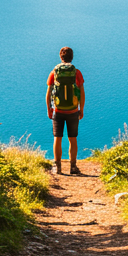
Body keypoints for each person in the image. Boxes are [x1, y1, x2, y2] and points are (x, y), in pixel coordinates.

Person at [45, 46, 85, 175]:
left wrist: (49, 109)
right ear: (72, 57)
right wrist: (81, 109)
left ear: (60, 57)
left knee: (58, 138)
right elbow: (82, 92)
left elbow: (49, 92)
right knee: (72, 139)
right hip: (73, 110)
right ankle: (73, 167)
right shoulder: (77, 72)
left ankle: (58, 167)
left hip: (58, 109)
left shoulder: (54, 72)